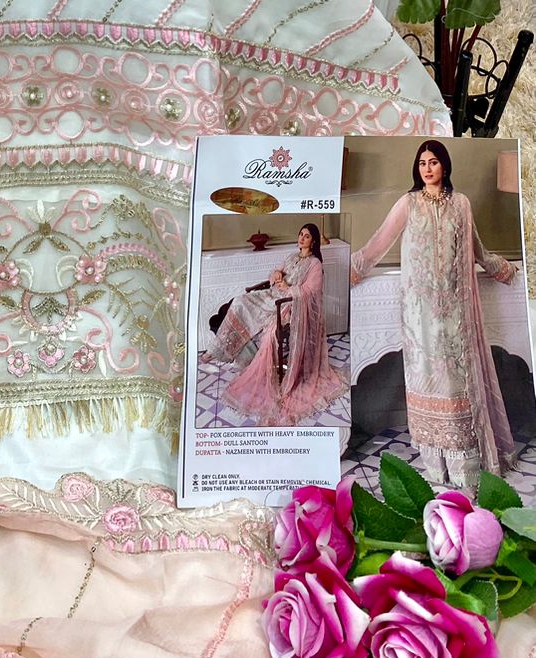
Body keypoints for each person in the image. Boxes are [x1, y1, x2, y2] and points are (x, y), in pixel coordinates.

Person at [351, 140, 518, 490]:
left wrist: (500, 268)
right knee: (426, 377)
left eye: (434, 162)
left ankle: (464, 471)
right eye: (422, 163)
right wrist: (349, 271)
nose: (427, 168)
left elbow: (475, 248)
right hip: (419, 314)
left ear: (445, 166)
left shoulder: (461, 204)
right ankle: (437, 468)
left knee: (456, 383)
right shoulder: (408, 203)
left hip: (455, 312)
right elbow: (379, 242)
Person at [200, 224, 347, 425]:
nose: (302, 238)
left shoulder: (314, 264)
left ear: (313, 241)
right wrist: (276, 274)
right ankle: (219, 348)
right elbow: (276, 275)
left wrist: (288, 288)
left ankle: (250, 363)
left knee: (269, 333)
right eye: (300, 234)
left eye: (306, 236)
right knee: (240, 301)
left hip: (289, 305)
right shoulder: (292, 257)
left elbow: (312, 291)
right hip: (272, 296)